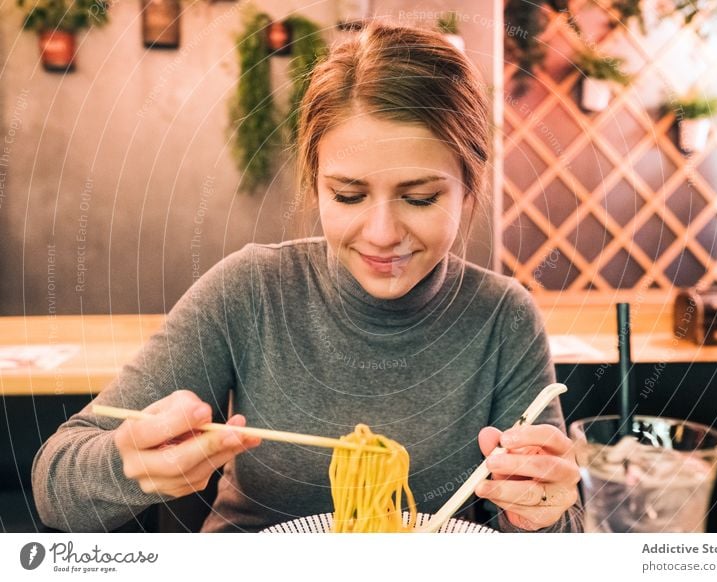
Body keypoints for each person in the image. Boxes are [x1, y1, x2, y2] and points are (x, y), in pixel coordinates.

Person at [32, 22, 583, 533]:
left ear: (469, 187)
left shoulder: (503, 318)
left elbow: (560, 531)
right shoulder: (251, 290)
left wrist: (543, 513)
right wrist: (128, 466)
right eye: (348, 195)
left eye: (420, 197)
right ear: (314, 182)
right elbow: (55, 481)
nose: (382, 232)